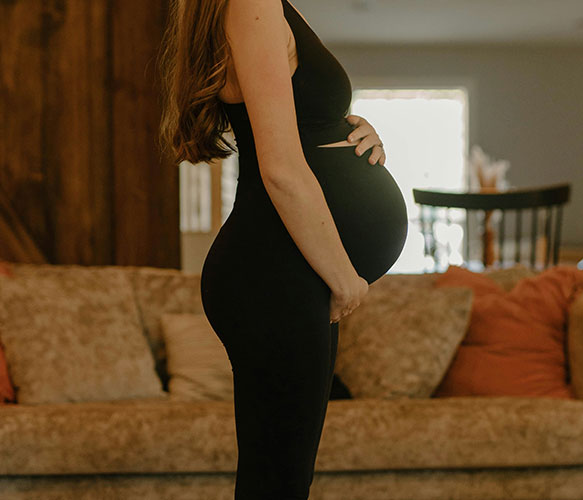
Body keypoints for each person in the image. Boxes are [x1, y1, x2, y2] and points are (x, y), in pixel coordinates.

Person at [158, 0, 408, 497]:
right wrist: (342, 278)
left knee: (282, 479)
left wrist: (345, 125)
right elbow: (281, 170)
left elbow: (292, 120)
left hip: (287, 274)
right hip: (274, 273)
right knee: (277, 482)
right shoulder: (250, 4)